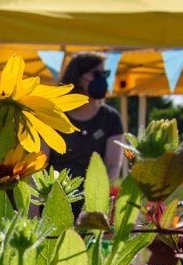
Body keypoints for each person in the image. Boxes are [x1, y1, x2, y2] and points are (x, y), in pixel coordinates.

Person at [47, 51, 125, 214]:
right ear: (77, 77)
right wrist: (34, 211)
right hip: (53, 200)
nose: (102, 79)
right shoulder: (53, 116)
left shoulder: (111, 118)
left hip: (92, 205)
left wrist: (97, 200)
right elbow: (40, 164)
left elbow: (113, 166)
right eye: (97, 74)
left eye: (105, 74)